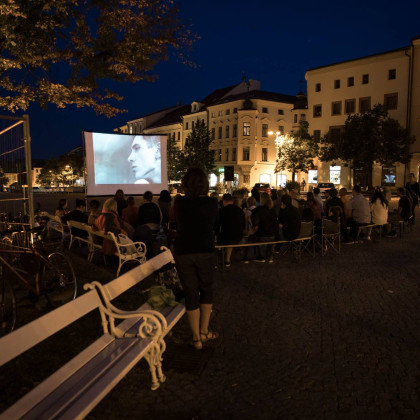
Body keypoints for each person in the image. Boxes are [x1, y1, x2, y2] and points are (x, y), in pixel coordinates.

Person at [173, 168, 219, 350]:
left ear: (185, 184)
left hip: (184, 250)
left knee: (190, 292)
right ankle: (204, 331)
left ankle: (195, 339)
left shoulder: (179, 203)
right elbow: (216, 225)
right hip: (205, 249)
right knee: (206, 289)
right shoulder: (212, 203)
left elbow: (177, 222)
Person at [243, 193, 278, 263]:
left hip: (262, 234)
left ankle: (259, 257)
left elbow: (255, 223)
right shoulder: (273, 210)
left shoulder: (259, 210)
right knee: (269, 241)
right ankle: (269, 257)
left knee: (250, 239)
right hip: (272, 234)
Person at [217, 193, 245, 267]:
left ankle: (221, 256)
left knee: (223, 237)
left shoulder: (222, 210)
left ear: (224, 201)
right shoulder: (239, 210)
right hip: (238, 235)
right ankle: (227, 260)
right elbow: (243, 223)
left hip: (226, 236)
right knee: (230, 237)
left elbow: (218, 224)